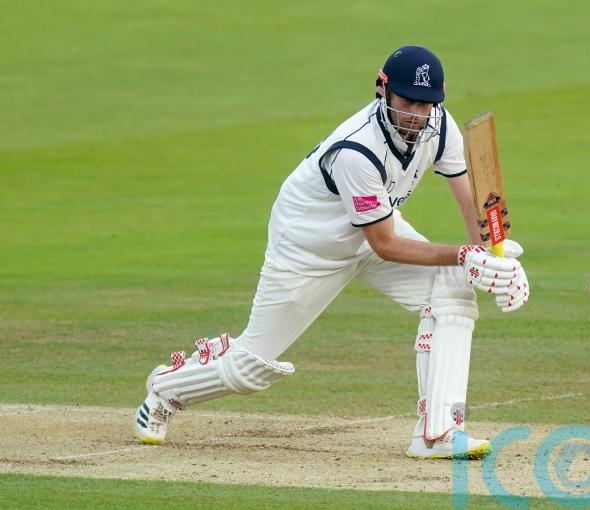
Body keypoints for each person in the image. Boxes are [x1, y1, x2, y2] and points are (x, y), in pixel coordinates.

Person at [134, 45, 530, 459]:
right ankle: (166, 388)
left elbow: (473, 207)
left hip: (374, 226)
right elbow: (387, 245)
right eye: (406, 101)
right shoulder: (356, 151)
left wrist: (496, 259)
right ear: (382, 89)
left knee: (452, 291)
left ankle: (438, 433)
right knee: (250, 367)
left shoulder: (441, 126)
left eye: (426, 104)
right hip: (309, 247)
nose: (415, 113)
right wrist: (467, 258)